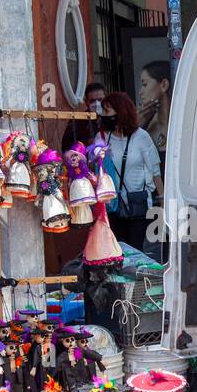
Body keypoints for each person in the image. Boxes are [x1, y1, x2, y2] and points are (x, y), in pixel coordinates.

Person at [103, 91, 162, 252]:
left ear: (120, 111)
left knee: (135, 248)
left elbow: (155, 170)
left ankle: (136, 277)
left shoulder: (141, 137)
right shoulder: (102, 138)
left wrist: (162, 200)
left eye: (107, 111)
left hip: (138, 204)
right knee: (117, 250)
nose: (103, 115)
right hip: (112, 205)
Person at [138, 61, 172, 155]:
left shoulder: (181, 123)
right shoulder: (145, 124)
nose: (140, 92)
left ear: (164, 85)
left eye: (145, 85)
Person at [62, 82, 107, 151]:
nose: (97, 103)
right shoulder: (77, 121)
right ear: (86, 102)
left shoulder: (113, 118)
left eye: (100, 100)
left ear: (106, 99)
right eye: (92, 101)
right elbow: (66, 147)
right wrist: (85, 143)